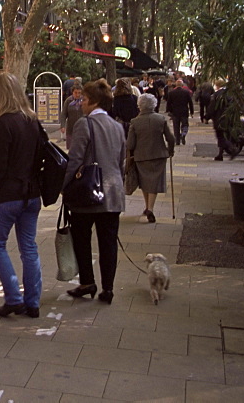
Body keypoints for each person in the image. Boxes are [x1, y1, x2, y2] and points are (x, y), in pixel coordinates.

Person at [0, 72, 43, 319]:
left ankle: (14, 298)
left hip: (8, 195)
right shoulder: (32, 120)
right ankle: (33, 301)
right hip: (32, 193)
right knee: (28, 247)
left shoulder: (5, 123)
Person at [65, 79, 126, 305]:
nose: (80, 103)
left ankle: (87, 282)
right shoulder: (118, 127)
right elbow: (121, 163)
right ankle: (108, 288)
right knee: (108, 243)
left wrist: (64, 186)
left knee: (82, 239)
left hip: (87, 193)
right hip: (113, 194)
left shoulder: (85, 124)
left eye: (83, 99)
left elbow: (75, 159)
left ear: (93, 102)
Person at [127, 94, 174, 223]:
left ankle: (148, 207)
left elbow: (130, 144)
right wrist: (170, 150)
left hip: (141, 156)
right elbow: (171, 138)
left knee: (144, 181)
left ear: (140, 106)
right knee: (154, 182)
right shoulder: (160, 119)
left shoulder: (135, 122)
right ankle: (150, 208)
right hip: (159, 154)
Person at [207, 79, 241, 160]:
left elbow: (212, 108)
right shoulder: (230, 94)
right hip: (229, 118)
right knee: (224, 135)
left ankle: (231, 149)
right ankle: (220, 154)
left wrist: (207, 117)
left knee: (220, 136)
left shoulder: (216, 95)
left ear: (217, 85)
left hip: (219, 119)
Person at [164, 78, 194, 144]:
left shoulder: (171, 93)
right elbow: (190, 102)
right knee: (185, 124)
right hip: (184, 111)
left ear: (176, 85)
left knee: (176, 126)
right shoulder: (186, 92)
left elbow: (169, 103)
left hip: (175, 112)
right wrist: (192, 112)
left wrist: (169, 111)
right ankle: (183, 133)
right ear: (182, 85)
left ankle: (177, 140)